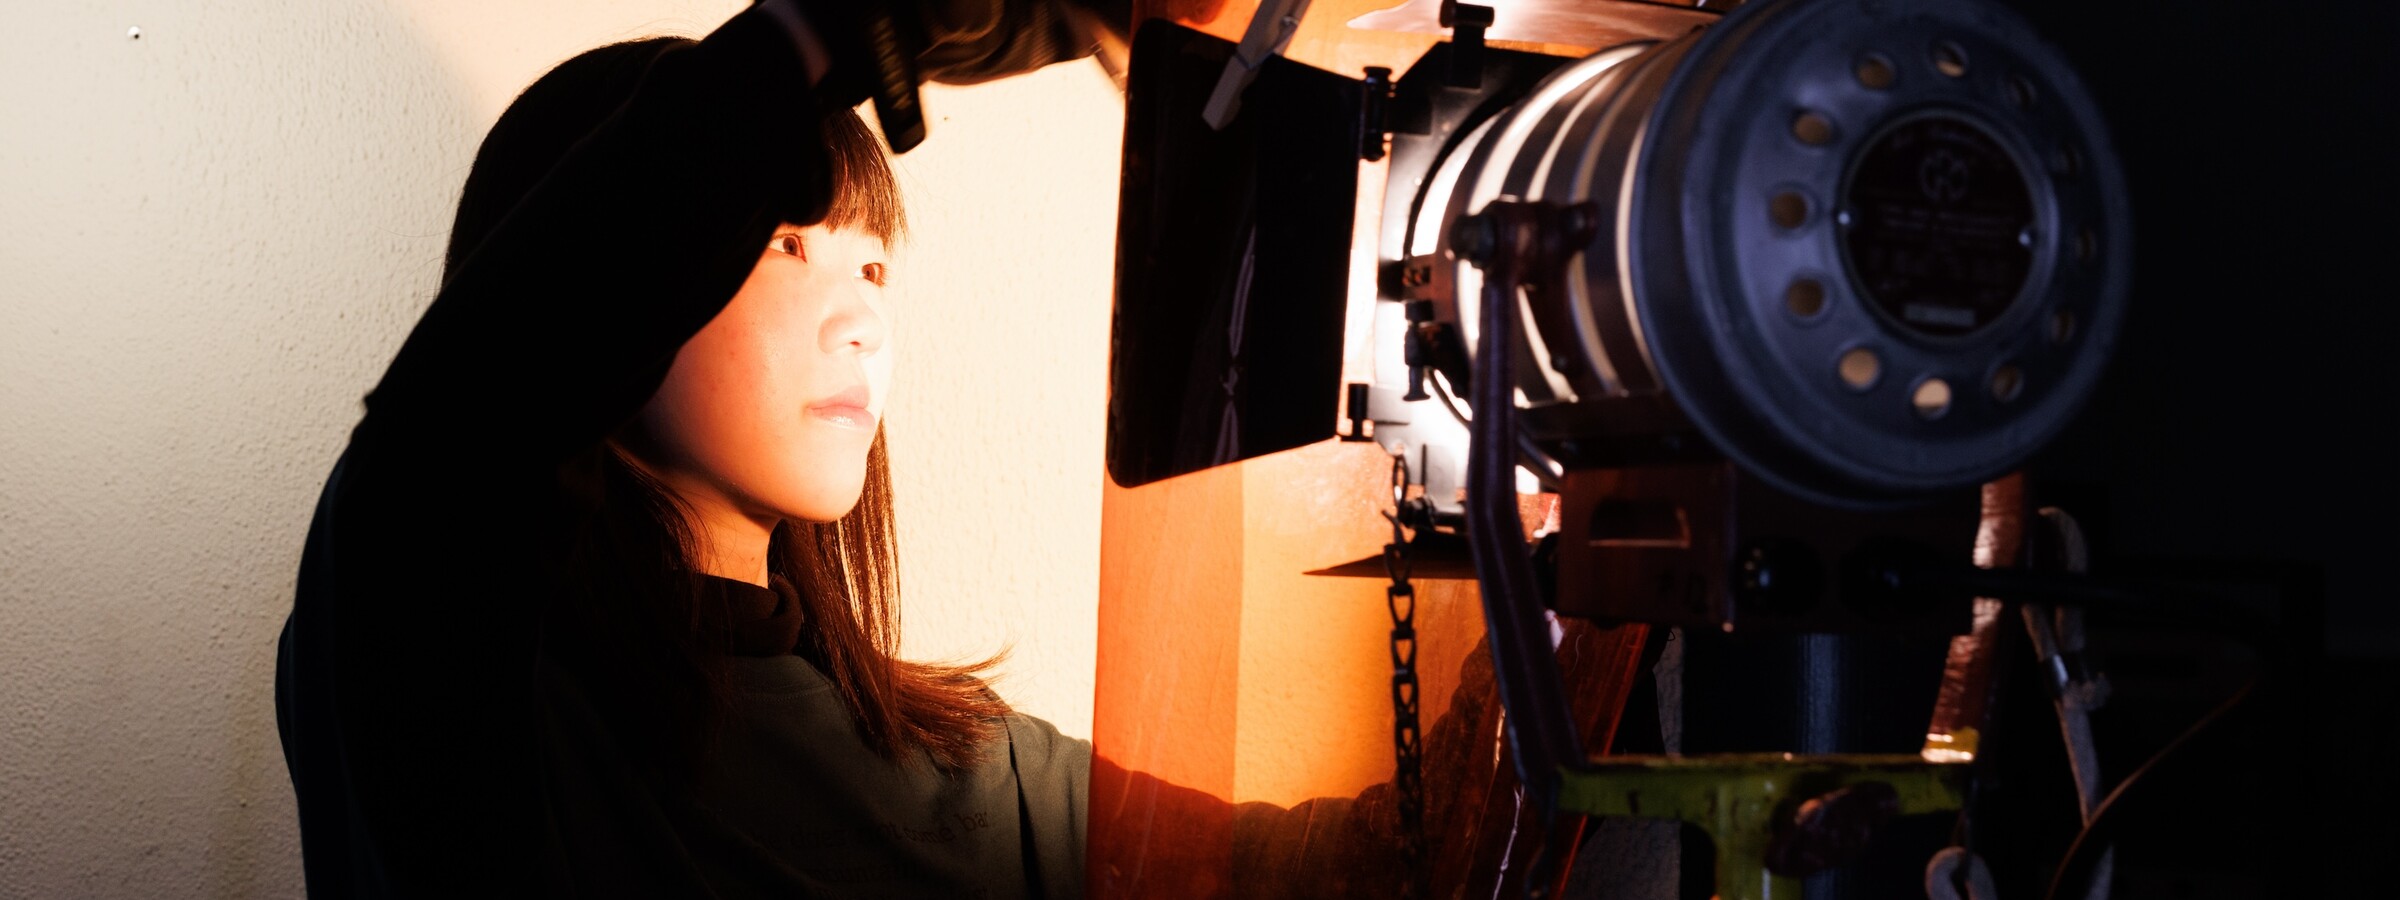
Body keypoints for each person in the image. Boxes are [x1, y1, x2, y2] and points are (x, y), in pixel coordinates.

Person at [274, 3, 1117, 896]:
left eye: (873, 268)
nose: (863, 321)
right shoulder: (452, 687)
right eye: (787, 244)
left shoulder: (999, 784)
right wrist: (820, 34)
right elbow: (454, 440)